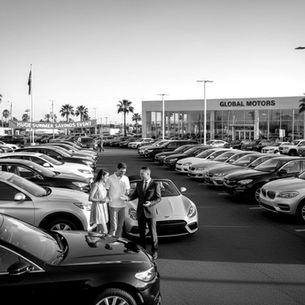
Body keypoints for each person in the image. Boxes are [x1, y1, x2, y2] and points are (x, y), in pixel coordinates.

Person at [128, 166, 161, 260]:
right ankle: (143, 251)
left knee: (153, 233)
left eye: (142, 173)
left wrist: (151, 203)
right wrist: (127, 198)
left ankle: (155, 251)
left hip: (150, 212)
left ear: (148, 174)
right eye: (140, 173)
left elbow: (159, 198)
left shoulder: (155, 184)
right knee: (141, 233)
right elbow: (135, 195)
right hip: (140, 212)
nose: (140, 175)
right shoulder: (139, 183)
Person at [106, 162, 130, 238]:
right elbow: (106, 190)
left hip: (122, 205)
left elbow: (128, 190)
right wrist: (108, 199)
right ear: (117, 169)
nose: (123, 173)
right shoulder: (110, 178)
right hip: (113, 205)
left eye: (124, 171)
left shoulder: (126, 178)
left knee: (120, 226)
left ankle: (117, 242)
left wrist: (126, 195)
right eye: (121, 171)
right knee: (114, 227)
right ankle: (110, 242)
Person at [88, 169, 109, 235]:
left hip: (103, 207)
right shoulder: (96, 185)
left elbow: (104, 196)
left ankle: (96, 244)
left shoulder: (104, 184)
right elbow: (90, 198)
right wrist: (100, 200)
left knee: (99, 232)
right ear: (102, 176)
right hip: (98, 208)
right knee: (105, 231)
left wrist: (107, 199)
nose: (108, 178)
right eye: (107, 176)